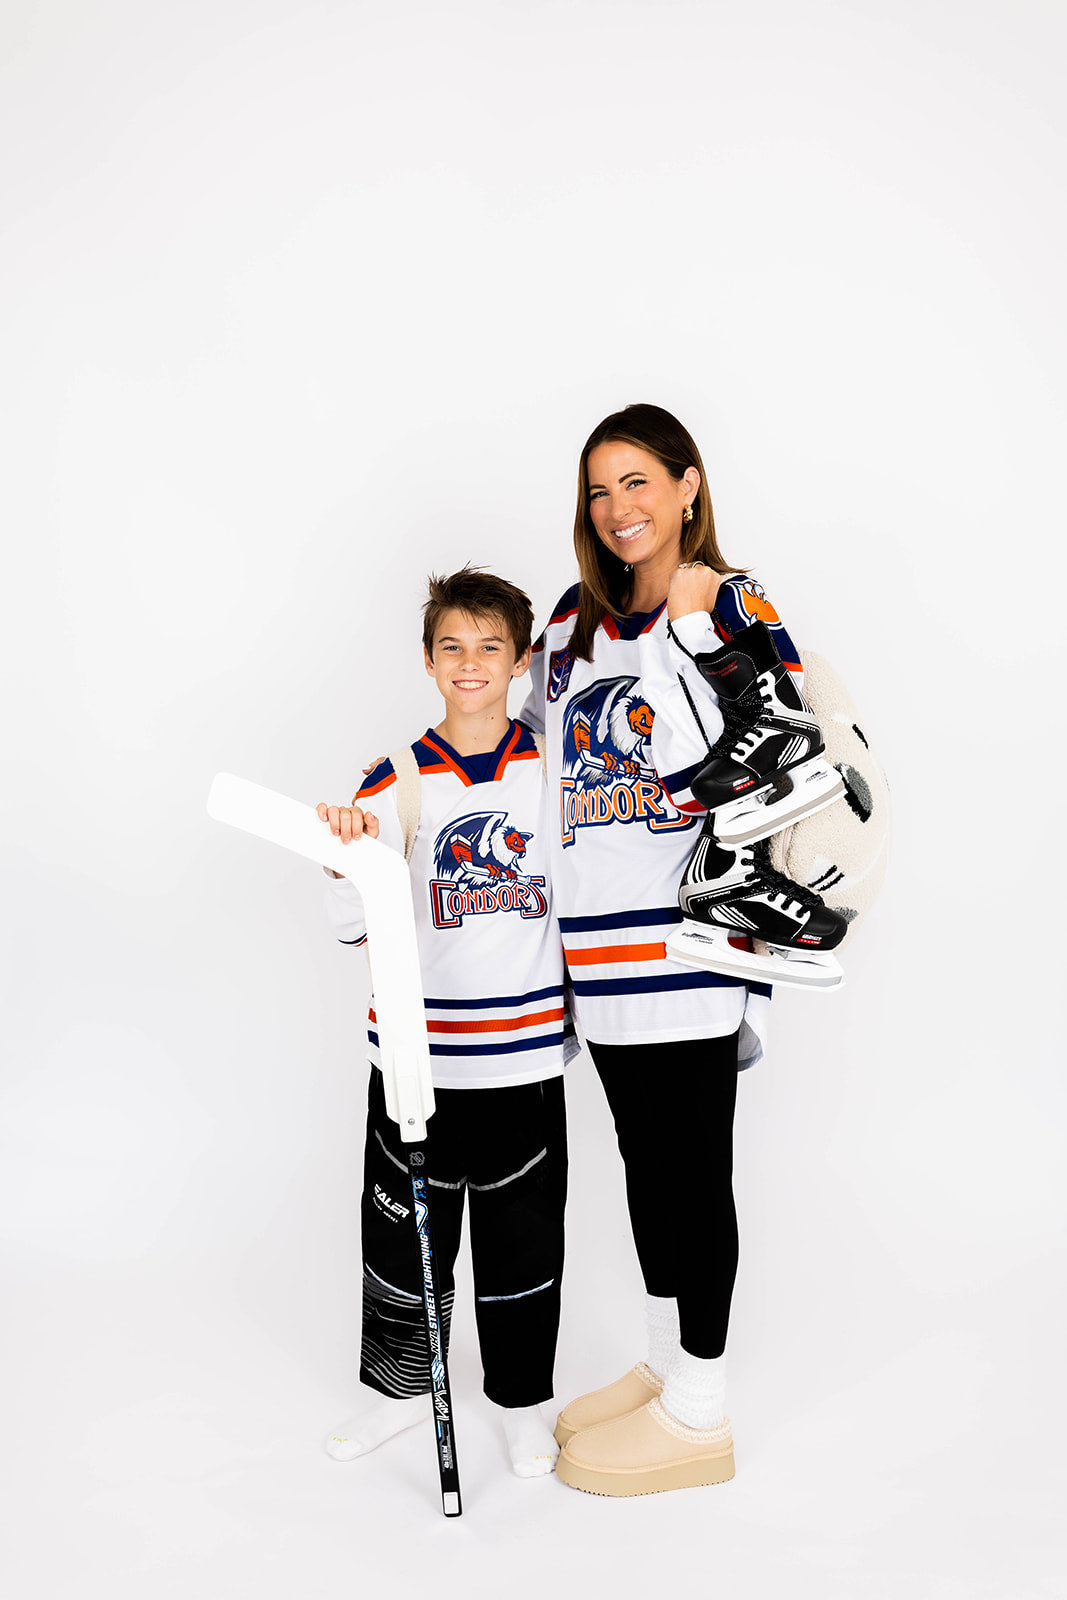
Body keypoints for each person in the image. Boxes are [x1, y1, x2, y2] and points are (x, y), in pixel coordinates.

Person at [521, 402, 823, 1496]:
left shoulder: (728, 598)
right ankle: (663, 1364)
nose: (617, 509)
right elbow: (536, 767)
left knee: (695, 1172)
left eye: (637, 482)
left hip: (690, 940)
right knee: (644, 1165)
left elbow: (774, 746)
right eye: (598, 490)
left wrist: (696, 626)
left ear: (687, 484)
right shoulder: (568, 619)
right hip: (593, 952)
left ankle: (702, 1406)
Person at [317, 567, 569, 1479]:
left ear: (519, 659)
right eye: (453, 648)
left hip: (525, 1061)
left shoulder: (553, 770)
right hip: (419, 1066)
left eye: (490, 648)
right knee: (401, 1242)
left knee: (523, 1246)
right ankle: (396, 1398)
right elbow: (356, 925)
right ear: (429, 661)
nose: (471, 665)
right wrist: (345, 856)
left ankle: (522, 1406)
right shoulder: (392, 780)